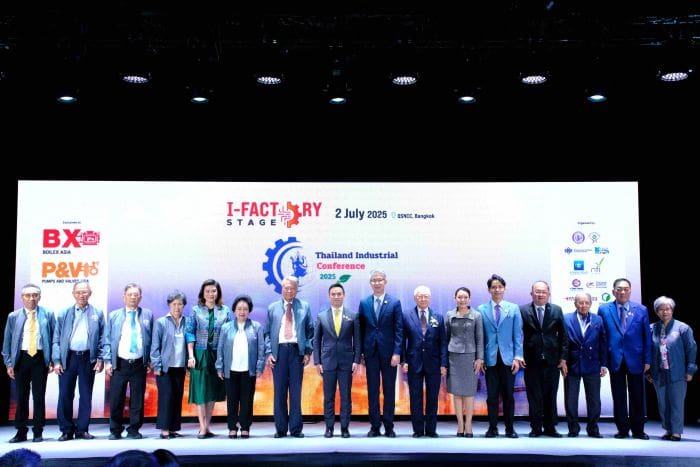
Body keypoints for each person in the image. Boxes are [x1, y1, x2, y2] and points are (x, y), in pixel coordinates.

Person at [597, 278, 651, 439]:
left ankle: (638, 430)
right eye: (619, 289)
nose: (622, 292)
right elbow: (602, 337)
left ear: (630, 291)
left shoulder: (641, 309)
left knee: (637, 396)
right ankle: (622, 429)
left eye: (626, 289)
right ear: (613, 292)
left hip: (636, 359)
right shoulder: (604, 309)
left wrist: (647, 360)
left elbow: (646, 337)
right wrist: (603, 362)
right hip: (615, 358)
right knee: (618, 396)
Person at [52, 280, 105, 441]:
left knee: (86, 395)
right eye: (78, 292)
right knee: (65, 394)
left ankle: (82, 429)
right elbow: (56, 339)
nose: (81, 295)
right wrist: (56, 360)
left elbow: (103, 338)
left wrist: (100, 358)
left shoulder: (97, 313)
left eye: (85, 292)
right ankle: (66, 430)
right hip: (68, 358)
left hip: (88, 358)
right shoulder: (64, 313)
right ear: (73, 294)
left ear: (90, 294)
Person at [2, 283, 54, 443]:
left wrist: (52, 360)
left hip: (40, 358)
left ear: (39, 297)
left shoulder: (47, 314)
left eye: (35, 295)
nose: (31, 298)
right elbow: (7, 341)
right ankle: (21, 431)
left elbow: (53, 339)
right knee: (21, 397)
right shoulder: (13, 316)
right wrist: (8, 363)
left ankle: (38, 431)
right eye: (28, 295)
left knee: (39, 396)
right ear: (22, 298)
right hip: (21, 358)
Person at [264, 276, 314, 438]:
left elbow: (310, 331)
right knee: (279, 392)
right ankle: (280, 429)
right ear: (282, 289)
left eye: (292, 288)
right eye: (286, 287)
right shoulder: (272, 308)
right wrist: (269, 353)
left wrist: (307, 351)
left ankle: (296, 429)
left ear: (297, 290)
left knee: (295, 392)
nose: (289, 290)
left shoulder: (304, 306)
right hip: (278, 352)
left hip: (296, 352)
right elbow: (266, 333)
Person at [103, 283, 153, 440]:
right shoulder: (114, 316)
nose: (133, 297)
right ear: (124, 297)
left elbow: (151, 339)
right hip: (120, 363)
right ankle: (115, 430)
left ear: (140, 297)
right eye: (130, 294)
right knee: (116, 399)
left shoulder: (147, 315)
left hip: (139, 363)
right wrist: (108, 361)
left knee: (137, 399)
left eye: (136, 295)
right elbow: (107, 340)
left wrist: (149, 360)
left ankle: (134, 429)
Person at [357, 270, 403, 438]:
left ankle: (389, 426)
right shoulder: (364, 303)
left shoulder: (394, 302)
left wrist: (397, 352)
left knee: (389, 390)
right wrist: (361, 353)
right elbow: (360, 330)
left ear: (385, 282)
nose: (377, 283)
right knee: (372, 390)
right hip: (370, 353)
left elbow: (399, 329)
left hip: (389, 354)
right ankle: (375, 426)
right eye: (374, 280)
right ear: (370, 283)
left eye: (380, 280)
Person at [520, 280, 569, 437]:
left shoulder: (556, 310)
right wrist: (519, 355)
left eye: (543, 292)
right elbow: (517, 335)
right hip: (531, 360)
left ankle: (550, 427)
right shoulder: (523, 310)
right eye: (537, 291)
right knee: (533, 395)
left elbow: (563, 336)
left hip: (552, 360)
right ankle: (535, 428)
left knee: (550, 395)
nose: (540, 294)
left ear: (548, 294)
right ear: (531, 293)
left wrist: (563, 358)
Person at [477, 274, 523, 438]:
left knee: (509, 395)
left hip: (508, 359)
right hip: (489, 359)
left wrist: (518, 357)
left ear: (504, 289)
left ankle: (510, 428)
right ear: (489, 290)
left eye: (500, 287)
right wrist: (481, 358)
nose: (497, 290)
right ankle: (492, 428)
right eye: (494, 287)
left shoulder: (513, 308)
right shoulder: (481, 309)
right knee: (492, 396)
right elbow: (480, 337)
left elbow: (518, 335)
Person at [185, 279, 232, 439]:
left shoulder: (225, 311)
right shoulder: (195, 310)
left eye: (214, 291)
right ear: (202, 293)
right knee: (201, 391)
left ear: (218, 293)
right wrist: (191, 355)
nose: (211, 294)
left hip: (217, 355)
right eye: (207, 291)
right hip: (200, 354)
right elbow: (190, 333)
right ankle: (202, 427)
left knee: (212, 391)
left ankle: (207, 426)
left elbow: (229, 334)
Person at [313, 283, 361, 438]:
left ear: (344, 296)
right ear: (329, 296)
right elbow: (316, 341)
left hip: (347, 362)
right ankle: (329, 428)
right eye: (333, 294)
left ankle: (345, 428)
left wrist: (356, 360)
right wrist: (317, 362)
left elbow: (357, 340)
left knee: (346, 397)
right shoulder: (321, 316)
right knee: (329, 397)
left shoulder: (352, 316)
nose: (336, 296)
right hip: (327, 362)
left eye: (339, 294)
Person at [646, 296, 697, 441]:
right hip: (658, 372)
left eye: (667, 309)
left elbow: (691, 349)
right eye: (661, 309)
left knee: (676, 402)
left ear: (672, 310)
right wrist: (647, 371)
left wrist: (690, 370)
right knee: (663, 403)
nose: (665, 312)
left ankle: (676, 432)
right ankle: (668, 429)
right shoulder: (651, 328)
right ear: (656, 312)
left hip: (677, 372)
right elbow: (646, 350)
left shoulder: (683, 328)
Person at [216, 294, 265, 439]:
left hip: (248, 370)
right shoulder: (226, 327)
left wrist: (259, 367)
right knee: (232, 400)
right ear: (234, 310)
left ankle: (245, 427)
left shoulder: (256, 327)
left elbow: (261, 349)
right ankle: (232, 427)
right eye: (239, 309)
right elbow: (220, 348)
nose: (242, 312)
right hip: (230, 370)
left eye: (245, 309)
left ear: (249, 310)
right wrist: (219, 367)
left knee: (247, 400)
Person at [401, 286, 447, 438]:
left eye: (426, 296)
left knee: (433, 397)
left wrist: (443, 364)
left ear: (430, 298)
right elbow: (402, 340)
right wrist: (404, 361)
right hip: (413, 362)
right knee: (415, 397)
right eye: (420, 296)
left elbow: (443, 342)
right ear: (415, 298)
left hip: (434, 363)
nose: (423, 299)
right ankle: (418, 430)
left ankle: (431, 429)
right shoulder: (406, 315)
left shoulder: (438, 317)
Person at [563, 292, 607, 438]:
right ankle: (573, 429)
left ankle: (593, 428)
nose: (583, 305)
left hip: (593, 364)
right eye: (580, 303)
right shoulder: (566, 318)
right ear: (575, 303)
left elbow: (603, 342)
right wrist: (562, 361)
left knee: (594, 400)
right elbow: (562, 342)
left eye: (586, 303)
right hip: (572, 364)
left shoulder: (598, 319)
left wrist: (603, 364)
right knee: (570, 400)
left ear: (590, 304)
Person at [445, 286, 483, 437]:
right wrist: (444, 360)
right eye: (459, 297)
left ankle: (469, 425)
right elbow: (446, 338)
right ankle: (460, 425)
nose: (462, 300)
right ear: (455, 299)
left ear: (469, 299)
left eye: (465, 297)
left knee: (469, 392)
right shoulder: (449, 315)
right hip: (453, 357)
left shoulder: (476, 315)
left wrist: (479, 358)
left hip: (470, 357)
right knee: (457, 393)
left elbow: (480, 338)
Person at [151, 290, 188, 439]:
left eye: (180, 304)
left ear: (184, 306)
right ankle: (164, 429)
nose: (177, 307)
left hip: (180, 366)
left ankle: (173, 428)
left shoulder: (187, 322)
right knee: (166, 397)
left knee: (177, 397)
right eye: (174, 304)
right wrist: (157, 365)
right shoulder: (161, 322)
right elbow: (155, 346)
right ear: (169, 305)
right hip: (165, 367)